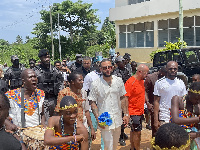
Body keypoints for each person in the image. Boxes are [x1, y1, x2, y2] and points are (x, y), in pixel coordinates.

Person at [89, 59, 129, 150]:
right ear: (100, 69)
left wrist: (126, 114)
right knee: (107, 145)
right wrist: (98, 118)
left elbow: (123, 98)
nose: (107, 69)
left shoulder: (118, 81)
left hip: (118, 119)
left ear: (112, 67)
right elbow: (93, 102)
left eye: (109, 67)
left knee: (115, 145)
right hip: (105, 119)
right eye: (105, 68)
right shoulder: (95, 84)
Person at [55, 72, 96, 143]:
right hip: (68, 127)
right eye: (80, 80)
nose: (82, 82)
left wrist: (91, 128)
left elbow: (86, 111)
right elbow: (59, 112)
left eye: (82, 80)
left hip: (83, 125)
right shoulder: (64, 93)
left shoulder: (83, 93)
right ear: (72, 82)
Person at [154, 61, 187, 131]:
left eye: (175, 69)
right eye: (170, 69)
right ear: (166, 69)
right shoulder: (159, 83)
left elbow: (184, 101)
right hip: (165, 117)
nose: (173, 70)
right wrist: (156, 120)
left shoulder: (181, 83)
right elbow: (156, 101)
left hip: (179, 117)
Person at [33, 49, 64, 123]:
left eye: (48, 57)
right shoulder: (36, 70)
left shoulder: (54, 70)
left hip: (53, 99)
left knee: (56, 121)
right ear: (40, 58)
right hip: (42, 100)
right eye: (45, 57)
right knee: (44, 122)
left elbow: (60, 83)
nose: (47, 59)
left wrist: (60, 97)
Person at [124, 64, 149, 150]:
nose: (147, 75)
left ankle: (132, 148)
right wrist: (127, 113)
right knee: (137, 132)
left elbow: (143, 92)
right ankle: (137, 148)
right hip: (133, 112)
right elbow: (125, 98)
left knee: (134, 131)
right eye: (146, 73)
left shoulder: (141, 81)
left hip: (140, 111)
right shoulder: (131, 82)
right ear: (139, 72)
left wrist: (147, 102)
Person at [170, 82, 200, 149]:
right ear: (189, 93)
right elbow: (175, 120)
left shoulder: (198, 105)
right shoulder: (177, 99)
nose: (198, 101)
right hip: (176, 134)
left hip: (193, 135)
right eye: (196, 98)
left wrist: (197, 134)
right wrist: (198, 119)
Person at [113, 56, 131, 146]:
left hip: (126, 96)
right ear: (117, 63)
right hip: (118, 97)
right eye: (122, 61)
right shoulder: (115, 73)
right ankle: (120, 137)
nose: (124, 63)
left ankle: (122, 133)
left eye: (124, 61)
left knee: (125, 116)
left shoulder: (127, 70)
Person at [144, 66, 167, 137]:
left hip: (165, 105)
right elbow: (144, 91)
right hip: (154, 104)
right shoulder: (151, 78)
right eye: (162, 75)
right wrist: (148, 103)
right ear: (160, 72)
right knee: (155, 126)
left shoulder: (169, 77)